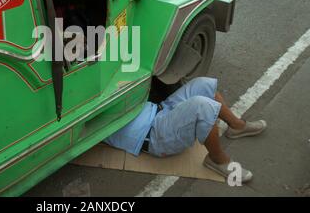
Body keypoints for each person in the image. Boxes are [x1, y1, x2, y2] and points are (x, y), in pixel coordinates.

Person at [104, 77, 267, 182]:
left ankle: (237, 126)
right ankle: (217, 159)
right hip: (154, 135)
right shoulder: (85, 110)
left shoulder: (101, 79)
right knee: (202, 107)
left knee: (203, 84)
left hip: (160, 109)